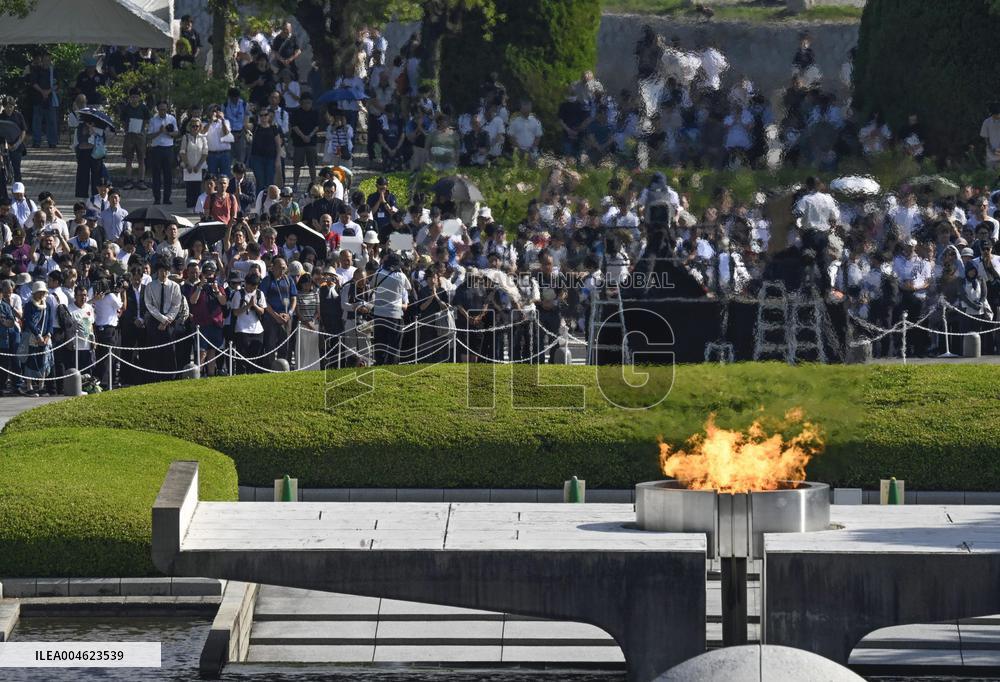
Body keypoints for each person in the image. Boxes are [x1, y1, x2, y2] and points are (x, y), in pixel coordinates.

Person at [143, 260, 183, 378]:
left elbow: (176, 305)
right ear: (157, 271)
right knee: (155, 349)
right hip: (155, 320)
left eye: (166, 271)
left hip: (170, 321)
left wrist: (167, 320)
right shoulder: (150, 286)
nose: (164, 273)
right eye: (161, 270)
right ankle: (154, 376)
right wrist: (161, 319)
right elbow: (149, 304)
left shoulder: (174, 286)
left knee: (170, 350)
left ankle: (170, 376)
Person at [17, 280, 54, 396]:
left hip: (44, 337)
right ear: (34, 293)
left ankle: (42, 386)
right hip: (31, 337)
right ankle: (29, 386)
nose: (42, 294)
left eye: (43, 292)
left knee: (43, 361)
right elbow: (28, 321)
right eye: (39, 292)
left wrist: (48, 335)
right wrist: (38, 335)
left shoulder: (47, 306)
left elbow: (50, 321)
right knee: (30, 361)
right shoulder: (29, 305)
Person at [260, 257, 297, 366]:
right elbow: (263, 300)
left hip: (286, 317)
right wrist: (275, 316)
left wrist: (289, 313)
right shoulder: (267, 280)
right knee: (270, 345)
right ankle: (269, 368)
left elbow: (294, 298)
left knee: (285, 344)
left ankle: (284, 367)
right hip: (271, 318)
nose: (282, 271)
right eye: (279, 268)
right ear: (273, 268)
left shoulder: (288, 280)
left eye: (284, 268)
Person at [229, 271, 266, 373]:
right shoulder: (238, 294)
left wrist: (254, 305)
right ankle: (241, 374)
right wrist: (248, 306)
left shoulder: (259, 294)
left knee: (255, 356)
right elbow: (235, 312)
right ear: (245, 283)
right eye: (250, 286)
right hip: (242, 329)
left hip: (257, 330)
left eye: (254, 287)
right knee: (242, 356)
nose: (251, 289)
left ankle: (252, 374)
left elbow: (262, 311)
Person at [148, 101, 179, 205]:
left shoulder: (171, 119)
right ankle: (157, 198)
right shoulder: (153, 120)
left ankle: (167, 198)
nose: (163, 111)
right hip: (156, 149)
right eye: (161, 109)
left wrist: (167, 132)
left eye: (164, 109)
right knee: (156, 175)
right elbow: (150, 136)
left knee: (168, 175)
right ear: (158, 109)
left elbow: (176, 133)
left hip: (168, 149)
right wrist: (160, 132)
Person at [29, 50, 59, 149]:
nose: (47, 61)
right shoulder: (36, 69)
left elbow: (57, 84)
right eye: (45, 59)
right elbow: (33, 83)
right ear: (41, 60)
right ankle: (37, 142)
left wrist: (48, 92)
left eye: (49, 60)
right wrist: (42, 91)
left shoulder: (53, 71)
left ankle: (52, 142)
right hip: (38, 98)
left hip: (50, 98)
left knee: (51, 121)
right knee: (37, 121)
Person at [289, 93, 320, 188]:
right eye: (305, 103)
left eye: (309, 103)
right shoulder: (296, 113)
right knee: (297, 165)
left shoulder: (315, 113)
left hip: (311, 142)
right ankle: (295, 184)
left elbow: (317, 126)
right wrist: (303, 136)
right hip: (298, 142)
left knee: (312, 165)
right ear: (301, 103)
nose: (307, 105)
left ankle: (314, 184)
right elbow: (294, 126)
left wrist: (309, 136)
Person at [249, 109, 282, 191]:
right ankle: (259, 201)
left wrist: (278, 159)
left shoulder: (274, 127)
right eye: (261, 115)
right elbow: (245, 125)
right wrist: (247, 111)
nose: (264, 117)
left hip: (271, 158)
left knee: (269, 182)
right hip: (257, 158)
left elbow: (278, 145)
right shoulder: (256, 127)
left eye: (265, 114)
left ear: (269, 116)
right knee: (260, 182)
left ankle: (269, 202)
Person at [180, 117, 208, 209]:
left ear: (200, 127)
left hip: (200, 167)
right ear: (190, 127)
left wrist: (198, 166)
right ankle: (189, 207)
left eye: (197, 126)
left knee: (199, 188)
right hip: (188, 167)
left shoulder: (203, 137)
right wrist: (187, 165)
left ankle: (198, 208)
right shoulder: (186, 137)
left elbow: (205, 153)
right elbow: (182, 152)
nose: (195, 128)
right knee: (189, 188)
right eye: (193, 126)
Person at [73, 119, 104, 200]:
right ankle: (82, 196)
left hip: (96, 153)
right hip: (83, 152)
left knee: (97, 176)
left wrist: (93, 131)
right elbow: (77, 141)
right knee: (82, 176)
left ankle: (97, 196)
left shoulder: (99, 126)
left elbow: (103, 138)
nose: (89, 122)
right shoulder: (80, 126)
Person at [0, 97, 27, 183]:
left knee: (17, 169)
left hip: (16, 145)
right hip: (3, 145)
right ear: (4, 106)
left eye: (11, 107)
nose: (9, 109)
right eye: (7, 107)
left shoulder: (18, 116)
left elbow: (23, 131)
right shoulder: (1, 117)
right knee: (4, 167)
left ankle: (19, 188)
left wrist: (17, 144)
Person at [223, 88, 250, 164]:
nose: (235, 99)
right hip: (229, 133)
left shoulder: (244, 104)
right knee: (229, 158)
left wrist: (245, 129)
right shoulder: (225, 105)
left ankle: (242, 174)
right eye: (233, 97)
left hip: (241, 133)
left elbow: (247, 117)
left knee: (241, 158)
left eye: (236, 97)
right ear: (229, 97)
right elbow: (223, 120)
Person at [982, 103, 1000, 169]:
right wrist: (991, 149)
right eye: (994, 115)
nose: (996, 116)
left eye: (997, 114)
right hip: (991, 156)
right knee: (990, 176)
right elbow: (986, 138)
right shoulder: (986, 122)